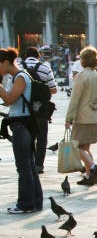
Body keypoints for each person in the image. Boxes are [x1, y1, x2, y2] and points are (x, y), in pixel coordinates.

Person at [0, 48, 43, 214]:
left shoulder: (21, 76)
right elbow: (12, 101)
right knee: (29, 165)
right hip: (22, 122)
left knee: (23, 165)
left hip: (22, 124)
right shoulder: (16, 77)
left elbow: (10, 98)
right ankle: (35, 202)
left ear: (5, 62)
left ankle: (26, 203)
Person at [65, 46, 97, 186]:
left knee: (75, 146)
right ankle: (89, 176)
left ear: (83, 60)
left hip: (83, 117)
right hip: (96, 116)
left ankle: (93, 167)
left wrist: (68, 118)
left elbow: (75, 99)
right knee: (85, 148)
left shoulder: (81, 77)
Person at [20, 46, 57, 174]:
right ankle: (39, 165)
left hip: (23, 108)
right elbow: (53, 89)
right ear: (38, 56)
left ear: (26, 56)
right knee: (41, 137)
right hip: (40, 108)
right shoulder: (45, 68)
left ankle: (27, 162)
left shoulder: (19, 66)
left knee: (25, 137)